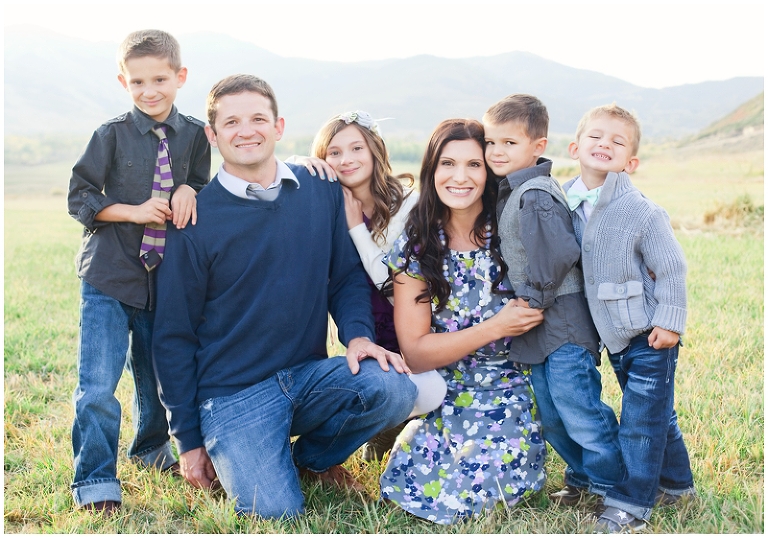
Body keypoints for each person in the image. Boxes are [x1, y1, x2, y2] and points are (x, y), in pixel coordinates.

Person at [151, 74, 418, 519]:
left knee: (393, 387)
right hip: (233, 396)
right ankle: (248, 452)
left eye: (258, 119)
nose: (247, 131)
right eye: (232, 122)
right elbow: (172, 336)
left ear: (278, 127)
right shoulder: (194, 218)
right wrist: (188, 441)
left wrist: (357, 336)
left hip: (306, 377)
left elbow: (345, 277)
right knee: (275, 511)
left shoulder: (320, 190)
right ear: (212, 136)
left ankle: (312, 459)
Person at [66, 29, 210, 515]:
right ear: (123, 82)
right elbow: (80, 198)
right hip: (108, 275)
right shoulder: (110, 134)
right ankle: (95, 479)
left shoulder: (196, 135)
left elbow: (201, 184)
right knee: (98, 386)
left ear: (180, 77)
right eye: (138, 82)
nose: (149, 91)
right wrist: (133, 211)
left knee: (156, 376)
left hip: (163, 276)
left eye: (160, 80)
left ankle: (150, 449)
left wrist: (190, 188)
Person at [379, 118, 547, 524]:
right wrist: (495, 327)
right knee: (411, 483)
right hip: (444, 391)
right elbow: (416, 353)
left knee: (480, 487)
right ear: (431, 170)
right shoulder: (417, 245)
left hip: (510, 389)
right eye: (447, 164)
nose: (460, 177)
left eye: (474, 165)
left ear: (489, 172)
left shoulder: (513, 233)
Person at [482, 94, 624, 507]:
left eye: (509, 143)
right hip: (540, 319)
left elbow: (559, 253)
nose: (497, 151)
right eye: (491, 142)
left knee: (576, 405)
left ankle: (613, 487)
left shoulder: (536, 193)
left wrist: (534, 300)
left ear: (538, 146)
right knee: (550, 410)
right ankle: (582, 478)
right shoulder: (513, 190)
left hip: (561, 317)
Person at [564, 104, 696, 532]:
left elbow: (671, 268)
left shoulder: (642, 211)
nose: (605, 144)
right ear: (575, 148)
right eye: (595, 136)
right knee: (657, 415)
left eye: (617, 142)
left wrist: (670, 321)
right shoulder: (561, 201)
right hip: (614, 336)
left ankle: (631, 504)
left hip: (650, 332)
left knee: (641, 422)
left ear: (631, 162)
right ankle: (677, 486)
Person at [299, 111, 445, 461]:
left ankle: (394, 423)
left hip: (410, 325)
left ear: (375, 150)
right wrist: (299, 164)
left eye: (356, 148)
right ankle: (373, 425)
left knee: (430, 390)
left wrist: (357, 228)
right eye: (334, 153)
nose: (346, 160)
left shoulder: (408, 206)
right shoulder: (327, 204)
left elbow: (397, 289)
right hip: (363, 328)